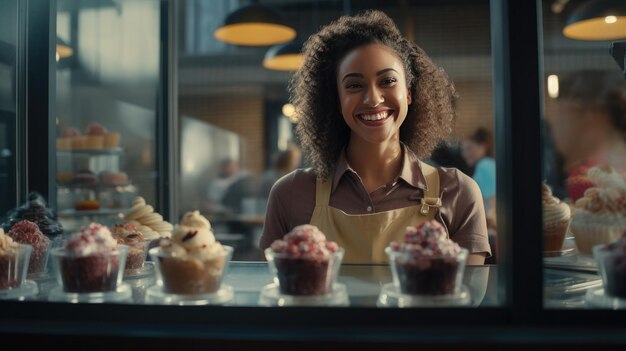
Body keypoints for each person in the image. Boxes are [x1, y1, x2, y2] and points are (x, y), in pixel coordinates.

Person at [259, 10, 491, 264]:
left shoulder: (458, 192)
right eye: (354, 85)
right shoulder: (290, 194)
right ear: (336, 100)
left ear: (409, 93)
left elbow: (468, 299)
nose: (373, 99)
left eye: (388, 81)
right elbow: (273, 293)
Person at [548, 70, 626, 181]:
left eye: (561, 115)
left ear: (591, 115)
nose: (554, 124)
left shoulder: (602, 179)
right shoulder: (577, 172)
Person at [461, 128, 496, 209]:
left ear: (482, 147)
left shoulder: (485, 165)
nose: (464, 154)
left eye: (469, 148)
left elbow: (492, 201)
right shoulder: (489, 163)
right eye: (463, 150)